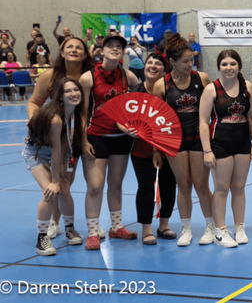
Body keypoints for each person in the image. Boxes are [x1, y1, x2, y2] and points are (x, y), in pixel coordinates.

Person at [79, 34, 142, 250]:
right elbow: (82, 112)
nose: (115, 49)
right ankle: (93, 231)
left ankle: (116, 228)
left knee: (116, 184)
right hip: (97, 137)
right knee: (95, 186)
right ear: (101, 50)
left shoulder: (128, 77)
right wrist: (83, 139)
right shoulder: (88, 77)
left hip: (121, 138)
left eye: (119, 47)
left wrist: (134, 123)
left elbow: (138, 102)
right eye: (110, 46)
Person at [152, 33, 216, 247]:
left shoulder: (202, 79)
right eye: (186, 61)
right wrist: (156, 149)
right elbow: (156, 120)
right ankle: (186, 229)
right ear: (172, 62)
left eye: (192, 60)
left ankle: (211, 227)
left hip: (198, 139)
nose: (191, 64)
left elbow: (211, 113)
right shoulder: (161, 86)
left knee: (201, 184)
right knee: (184, 185)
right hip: (175, 142)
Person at [28, 37, 94, 242]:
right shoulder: (49, 75)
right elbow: (34, 102)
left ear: (85, 54)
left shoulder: (90, 76)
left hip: (75, 136)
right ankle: (51, 225)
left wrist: (83, 140)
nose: (74, 50)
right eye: (69, 47)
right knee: (54, 184)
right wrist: (35, 125)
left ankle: (61, 223)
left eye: (79, 47)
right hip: (52, 137)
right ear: (62, 52)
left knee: (65, 183)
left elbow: (84, 113)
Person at [200, 50, 252, 248]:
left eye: (232, 63)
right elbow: (202, 121)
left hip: (242, 143)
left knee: (239, 188)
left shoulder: (247, 87)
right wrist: (207, 150)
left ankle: (239, 226)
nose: (229, 68)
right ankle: (220, 230)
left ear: (239, 66)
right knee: (222, 188)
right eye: (224, 64)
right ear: (219, 67)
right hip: (220, 144)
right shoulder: (211, 89)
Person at [25, 78, 86, 255]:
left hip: (60, 154)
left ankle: (69, 228)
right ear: (60, 96)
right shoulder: (56, 119)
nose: (74, 94)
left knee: (65, 189)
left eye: (76, 90)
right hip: (37, 155)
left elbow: (65, 146)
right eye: (68, 91)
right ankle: (41, 238)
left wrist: (64, 171)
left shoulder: (73, 114)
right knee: (51, 192)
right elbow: (55, 151)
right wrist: (54, 180)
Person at [130, 52, 178, 245]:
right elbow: (125, 117)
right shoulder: (135, 90)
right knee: (145, 187)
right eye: (149, 62)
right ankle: (146, 228)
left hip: (167, 147)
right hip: (141, 149)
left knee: (168, 186)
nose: (152, 66)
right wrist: (128, 128)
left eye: (158, 63)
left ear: (165, 69)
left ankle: (164, 225)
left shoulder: (171, 91)